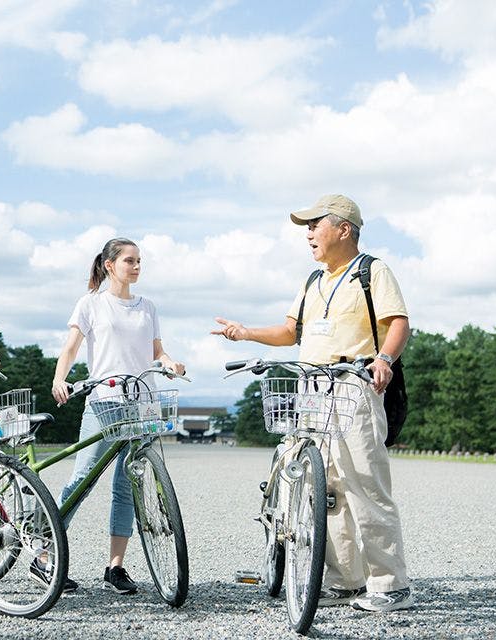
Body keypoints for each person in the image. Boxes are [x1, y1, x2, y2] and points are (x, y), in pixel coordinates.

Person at [212, 194, 414, 613]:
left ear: (343, 228)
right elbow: (291, 331)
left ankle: (390, 585)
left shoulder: (372, 272)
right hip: (312, 389)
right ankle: (344, 582)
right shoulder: (312, 280)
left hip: (354, 385)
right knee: (330, 492)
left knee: (364, 484)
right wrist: (245, 332)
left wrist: (383, 359)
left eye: (314, 225)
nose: (308, 234)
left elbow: (398, 323)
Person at [49, 237, 186, 594]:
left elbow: (157, 351)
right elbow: (71, 348)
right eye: (130, 260)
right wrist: (59, 379)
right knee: (82, 479)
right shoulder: (91, 304)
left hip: (144, 404)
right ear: (110, 265)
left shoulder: (148, 307)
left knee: (128, 487)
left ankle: (115, 568)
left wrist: (169, 363)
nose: (137, 266)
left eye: (140, 260)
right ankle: (46, 555)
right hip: (104, 401)